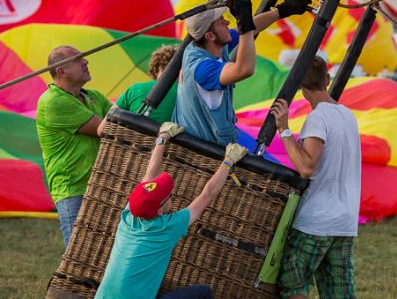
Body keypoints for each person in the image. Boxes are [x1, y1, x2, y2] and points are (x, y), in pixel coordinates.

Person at [95, 122, 248, 299]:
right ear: (159, 211)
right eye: (168, 195)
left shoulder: (129, 216)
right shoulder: (166, 228)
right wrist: (228, 162)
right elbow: (207, 195)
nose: (171, 194)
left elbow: (148, 176)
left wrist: (162, 138)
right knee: (203, 293)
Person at [269, 56, 361, 299]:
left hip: (317, 221)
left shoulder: (318, 118)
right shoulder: (347, 115)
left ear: (300, 87)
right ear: (327, 80)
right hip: (345, 221)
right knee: (339, 292)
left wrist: (284, 129)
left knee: (293, 282)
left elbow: (306, 167)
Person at [173, 0, 310, 145]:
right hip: (206, 152)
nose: (227, 22)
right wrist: (244, 23)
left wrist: (282, 10)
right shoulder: (203, 69)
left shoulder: (199, 46)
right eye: (221, 22)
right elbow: (245, 69)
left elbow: (251, 29)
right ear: (210, 36)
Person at [36, 45, 112, 246]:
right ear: (61, 71)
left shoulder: (93, 96)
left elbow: (122, 121)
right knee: (78, 259)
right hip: (73, 190)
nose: (85, 62)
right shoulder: (53, 101)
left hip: (100, 186)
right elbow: (106, 128)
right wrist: (131, 96)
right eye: (78, 59)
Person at [97, 45, 179, 137]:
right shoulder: (185, 94)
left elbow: (101, 129)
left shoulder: (135, 89)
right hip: (168, 148)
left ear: (155, 70)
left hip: (132, 146)